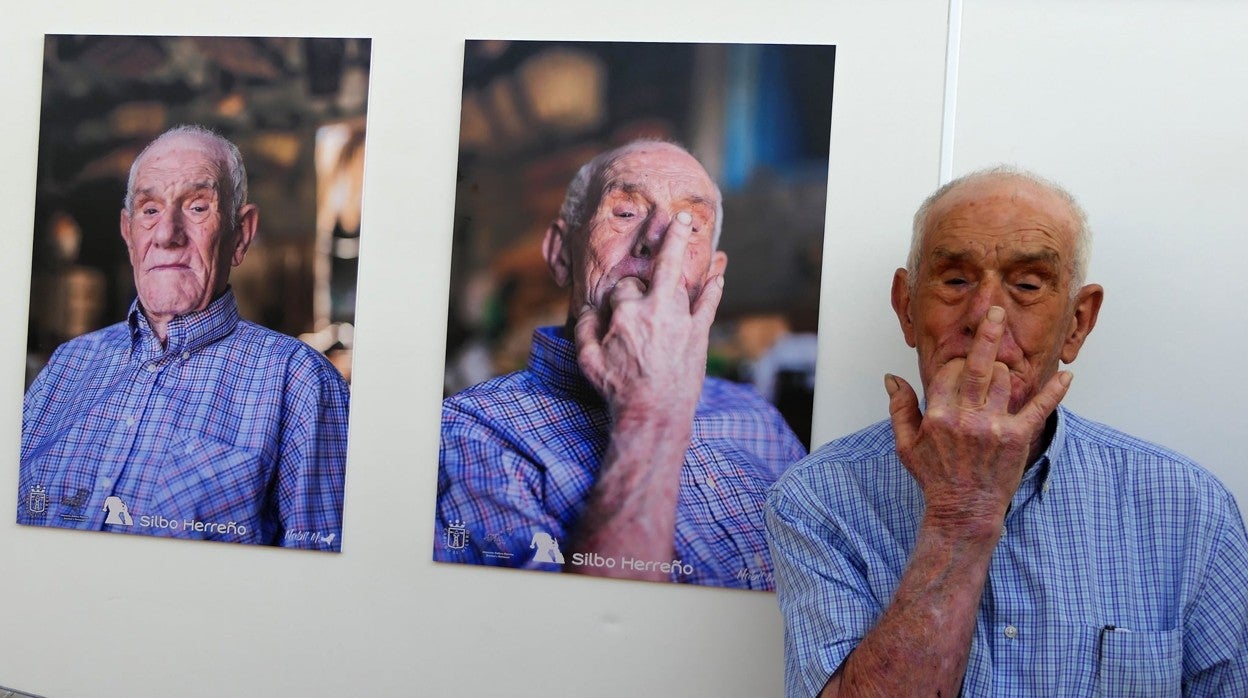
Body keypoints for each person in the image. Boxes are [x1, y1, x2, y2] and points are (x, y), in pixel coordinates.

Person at [766, 167, 1248, 696]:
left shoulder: (1190, 509)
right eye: (955, 280)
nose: (984, 316)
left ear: (1078, 322)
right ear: (907, 307)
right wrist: (960, 513)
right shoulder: (818, 498)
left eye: (1026, 285)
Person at [435, 140, 807, 589]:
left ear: (713, 272)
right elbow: (573, 647)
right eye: (625, 213)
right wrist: (649, 409)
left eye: (691, 226)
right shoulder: (469, 433)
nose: (658, 240)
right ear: (561, 254)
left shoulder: (762, 424)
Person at [18, 125, 350, 551]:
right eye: (149, 210)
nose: (166, 234)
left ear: (241, 234)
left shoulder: (300, 383)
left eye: (197, 207)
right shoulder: (67, 366)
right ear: (128, 233)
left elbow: (321, 583)